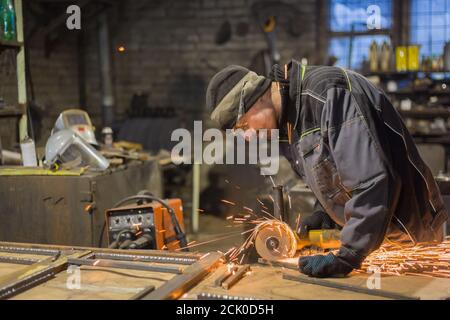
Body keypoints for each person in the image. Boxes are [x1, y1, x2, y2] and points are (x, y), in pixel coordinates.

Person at [205, 61, 448, 278]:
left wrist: (348, 254)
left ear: (258, 97)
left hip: (410, 231)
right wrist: (324, 211)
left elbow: (372, 182)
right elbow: (333, 169)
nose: (247, 136)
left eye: (245, 125)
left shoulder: (329, 94)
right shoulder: (287, 122)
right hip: (372, 236)